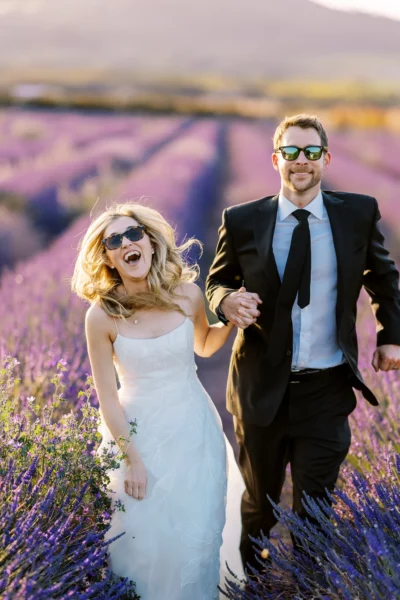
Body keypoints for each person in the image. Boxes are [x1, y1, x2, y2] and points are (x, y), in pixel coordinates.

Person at [206, 114, 400, 577]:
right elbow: (216, 282)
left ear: (326, 159)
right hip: (260, 386)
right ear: (275, 160)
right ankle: (249, 584)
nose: (301, 161)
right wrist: (228, 301)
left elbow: (383, 277)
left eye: (311, 152)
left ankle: (309, 587)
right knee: (259, 506)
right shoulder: (243, 220)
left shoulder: (357, 213)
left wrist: (392, 335)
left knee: (315, 512)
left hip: (325, 389)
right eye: (291, 152)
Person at [71, 202, 246, 600]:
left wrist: (232, 318)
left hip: (194, 432)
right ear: (108, 258)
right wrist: (132, 459)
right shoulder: (101, 317)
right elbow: (108, 400)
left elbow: (203, 346)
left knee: (197, 536)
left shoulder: (187, 295)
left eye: (133, 234)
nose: (126, 243)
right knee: (144, 544)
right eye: (113, 240)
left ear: (150, 243)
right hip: (138, 438)